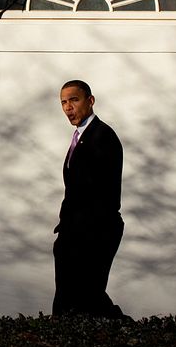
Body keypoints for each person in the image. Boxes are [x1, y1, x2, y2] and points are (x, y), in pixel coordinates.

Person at [52, 79, 127, 318]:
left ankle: (125, 332)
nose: (68, 107)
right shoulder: (81, 136)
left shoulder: (102, 136)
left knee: (86, 298)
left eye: (74, 100)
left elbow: (99, 190)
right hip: (75, 232)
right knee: (76, 299)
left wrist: (79, 231)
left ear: (90, 100)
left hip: (94, 231)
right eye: (63, 102)